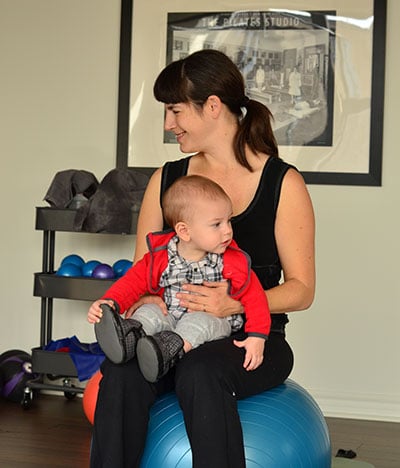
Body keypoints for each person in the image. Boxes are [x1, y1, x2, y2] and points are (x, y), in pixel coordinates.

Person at [90, 48, 315, 468]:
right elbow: (145, 270)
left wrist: (235, 304)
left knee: (200, 371)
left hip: (250, 342)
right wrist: (146, 300)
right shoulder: (168, 179)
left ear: (212, 106)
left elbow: (302, 290)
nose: (167, 124)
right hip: (169, 334)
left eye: (175, 111)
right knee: (120, 372)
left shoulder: (283, 184)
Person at [88, 175, 271, 383]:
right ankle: (130, 339)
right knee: (149, 312)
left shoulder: (232, 261)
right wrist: (110, 301)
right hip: (171, 314)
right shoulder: (161, 256)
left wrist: (257, 336)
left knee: (198, 322)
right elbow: (132, 282)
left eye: (229, 220)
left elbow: (255, 298)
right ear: (184, 231)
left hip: (213, 319)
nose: (228, 230)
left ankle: (168, 351)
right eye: (217, 224)